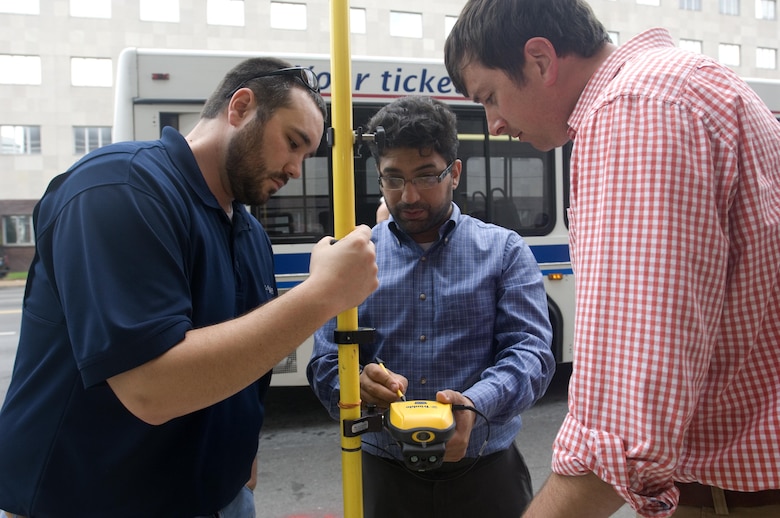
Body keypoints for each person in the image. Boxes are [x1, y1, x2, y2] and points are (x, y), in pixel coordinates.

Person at [0, 57, 378, 518]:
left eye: (306, 155)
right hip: (89, 502)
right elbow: (151, 387)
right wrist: (324, 293)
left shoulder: (249, 232)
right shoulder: (119, 188)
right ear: (240, 107)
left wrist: (241, 455)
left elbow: (243, 361)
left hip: (217, 497)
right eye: (292, 142)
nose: (296, 169)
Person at [444, 1, 780, 517]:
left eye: (490, 97)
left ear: (539, 59)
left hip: (734, 501)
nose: (493, 124)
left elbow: (623, 427)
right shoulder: (689, 84)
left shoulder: (632, 112)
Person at [307, 95, 556, 518]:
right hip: (384, 473)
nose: (409, 196)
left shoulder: (505, 251)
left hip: (486, 473)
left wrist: (475, 405)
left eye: (426, 176)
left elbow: (531, 354)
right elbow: (325, 360)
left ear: (454, 172)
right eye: (392, 179)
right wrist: (356, 385)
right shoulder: (351, 259)